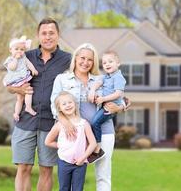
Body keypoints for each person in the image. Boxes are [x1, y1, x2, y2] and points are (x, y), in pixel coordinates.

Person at [51, 43, 127, 191]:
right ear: (76, 58)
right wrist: (64, 122)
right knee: (73, 178)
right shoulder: (62, 79)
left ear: (94, 62)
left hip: (103, 132)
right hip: (74, 134)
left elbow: (122, 97)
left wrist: (119, 107)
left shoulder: (103, 79)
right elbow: (54, 105)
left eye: (90, 60)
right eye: (82, 58)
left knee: (103, 175)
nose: (85, 62)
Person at [8, 17, 71, 191]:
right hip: (25, 121)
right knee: (23, 168)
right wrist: (19, 90)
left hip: (51, 123)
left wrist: (120, 100)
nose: (48, 37)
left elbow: (87, 78)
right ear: (38, 36)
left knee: (46, 169)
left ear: (58, 35)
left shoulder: (67, 59)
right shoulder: (25, 56)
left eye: (51, 33)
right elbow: (8, 84)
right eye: (44, 33)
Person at [45, 91, 97, 191]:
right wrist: (61, 145)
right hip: (64, 162)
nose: (68, 105)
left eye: (70, 102)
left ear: (75, 104)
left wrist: (83, 158)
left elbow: (93, 143)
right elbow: (48, 141)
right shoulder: (59, 125)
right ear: (59, 108)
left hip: (80, 163)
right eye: (64, 104)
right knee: (64, 188)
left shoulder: (84, 123)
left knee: (78, 189)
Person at [87, 51, 126, 163]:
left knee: (95, 122)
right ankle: (96, 147)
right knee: (95, 122)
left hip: (110, 108)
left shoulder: (118, 77)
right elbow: (98, 83)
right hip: (104, 106)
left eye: (110, 61)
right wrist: (93, 90)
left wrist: (103, 99)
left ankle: (97, 149)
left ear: (118, 63)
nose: (107, 64)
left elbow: (118, 94)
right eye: (104, 63)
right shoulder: (106, 77)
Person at [3, 36, 38, 121]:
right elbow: (12, 68)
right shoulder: (10, 59)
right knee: (28, 90)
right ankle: (28, 107)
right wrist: (15, 59)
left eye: (22, 49)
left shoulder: (23, 57)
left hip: (22, 78)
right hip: (16, 79)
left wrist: (33, 69)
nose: (19, 51)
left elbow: (28, 63)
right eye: (16, 49)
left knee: (20, 98)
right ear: (10, 50)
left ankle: (16, 113)